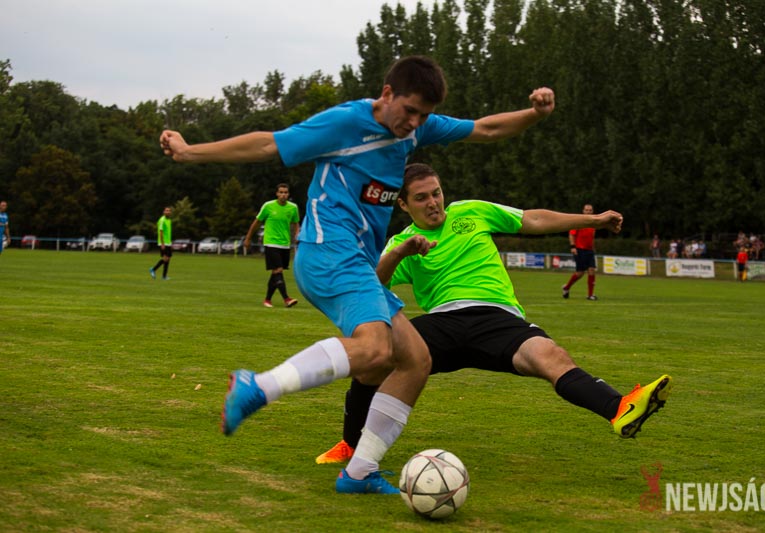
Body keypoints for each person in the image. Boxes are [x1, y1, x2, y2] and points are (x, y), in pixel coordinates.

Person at [159, 55, 556, 494]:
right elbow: (269, 145)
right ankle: (259, 387)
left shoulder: (417, 128)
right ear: (387, 94)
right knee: (374, 349)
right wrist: (190, 152)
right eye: (410, 110)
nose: (414, 123)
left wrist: (534, 113)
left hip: (356, 263)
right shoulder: (346, 123)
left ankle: (360, 471)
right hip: (329, 251)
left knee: (416, 359)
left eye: (424, 115)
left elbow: (486, 129)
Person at [316, 163, 672, 464]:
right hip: (444, 322)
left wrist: (593, 221)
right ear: (404, 204)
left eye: (436, 193)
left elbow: (532, 219)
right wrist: (399, 253)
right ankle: (351, 444)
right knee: (374, 358)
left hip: (498, 319)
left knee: (550, 356)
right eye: (421, 198)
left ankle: (619, 408)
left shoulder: (470, 211)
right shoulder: (403, 242)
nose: (433, 202)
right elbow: (373, 285)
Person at [244, 183, 300, 308]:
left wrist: (297, 234)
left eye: (285, 192)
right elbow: (257, 222)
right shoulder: (268, 206)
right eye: (281, 192)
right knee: (278, 270)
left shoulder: (293, 208)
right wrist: (248, 238)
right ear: (277, 194)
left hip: (285, 244)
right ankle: (287, 299)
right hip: (271, 243)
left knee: (275, 273)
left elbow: (296, 223)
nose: (283, 195)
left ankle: (267, 300)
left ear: (288, 194)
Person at [561, 204, 599, 300]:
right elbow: (571, 235)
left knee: (592, 270)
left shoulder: (593, 224)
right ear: (583, 211)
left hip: (589, 251)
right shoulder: (578, 222)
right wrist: (573, 247)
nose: (588, 212)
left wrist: (593, 248)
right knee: (580, 273)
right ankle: (566, 287)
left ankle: (590, 295)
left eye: (590, 210)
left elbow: (591, 238)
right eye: (586, 210)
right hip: (580, 250)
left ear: (592, 211)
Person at [149, 207, 173, 280]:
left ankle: (164, 276)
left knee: (168, 259)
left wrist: (170, 242)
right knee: (165, 258)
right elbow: (161, 232)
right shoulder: (162, 220)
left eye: (169, 211)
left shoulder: (169, 220)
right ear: (164, 212)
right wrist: (162, 243)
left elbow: (168, 232)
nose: (168, 212)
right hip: (163, 242)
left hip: (168, 242)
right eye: (166, 210)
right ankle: (153, 269)